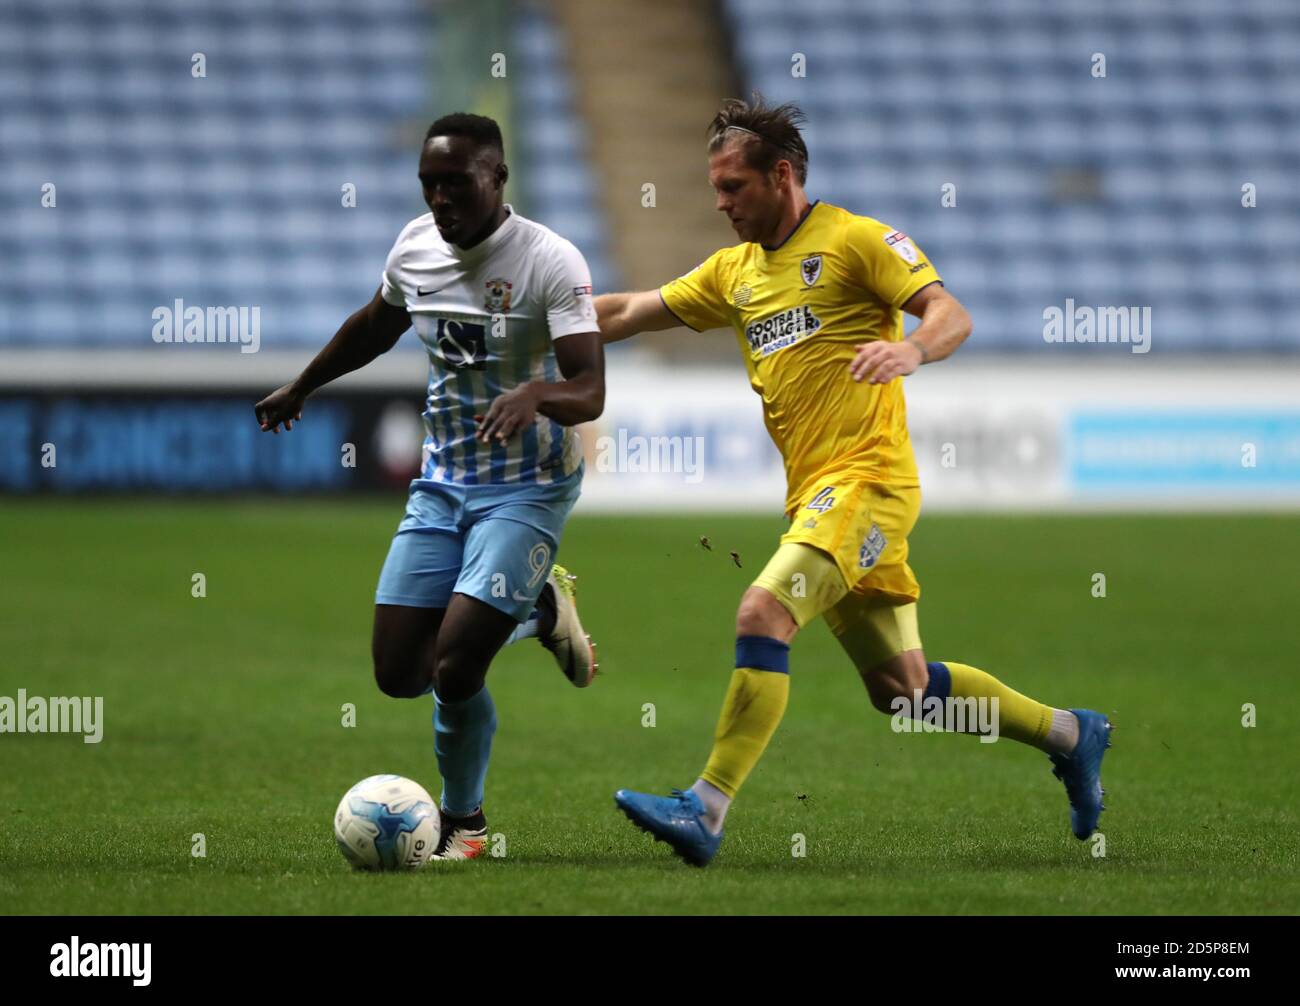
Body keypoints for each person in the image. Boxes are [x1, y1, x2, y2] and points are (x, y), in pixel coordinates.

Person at [594, 97, 1110, 867]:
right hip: (816, 496)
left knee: (762, 613)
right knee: (903, 691)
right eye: (716, 188)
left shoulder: (857, 240)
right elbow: (631, 309)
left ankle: (705, 807)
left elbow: (949, 312)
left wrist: (914, 352)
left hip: (868, 481)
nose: (720, 203)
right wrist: (525, 321)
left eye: (734, 187)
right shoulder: (734, 274)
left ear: (783, 175)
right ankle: (1070, 733)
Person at [255, 113, 604, 859]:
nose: (441, 198)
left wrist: (536, 397)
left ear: (498, 178)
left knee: (454, 668)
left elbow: (591, 388)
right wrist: (303, 385)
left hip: (528, 487)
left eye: (457, 182)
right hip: (443, 482)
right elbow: (375, 325)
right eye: (430, 184)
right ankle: (539, 612)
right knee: (397, 674)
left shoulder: (550, 260)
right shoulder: (415, 246)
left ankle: (466, 825)